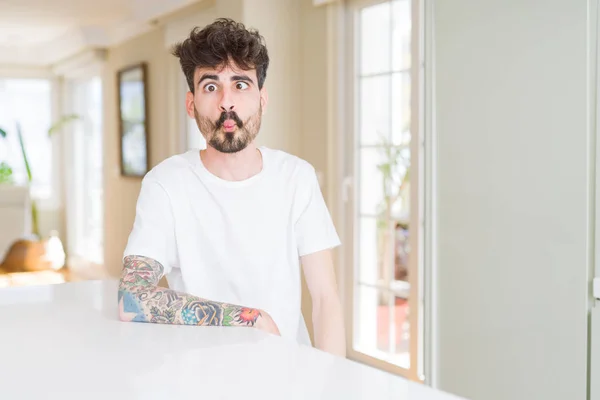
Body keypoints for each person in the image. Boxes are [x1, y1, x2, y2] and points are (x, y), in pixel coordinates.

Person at [117, 18, 346, 357]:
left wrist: (331, 385)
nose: (227, 102)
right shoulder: (165, 184)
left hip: (289, 374)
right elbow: (131, 298)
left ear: (262, 99)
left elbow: (326, 299)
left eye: (240, 85)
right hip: (201, 377)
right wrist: (248, 318)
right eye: (211, 86)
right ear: (191, 103)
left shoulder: (296, 177)